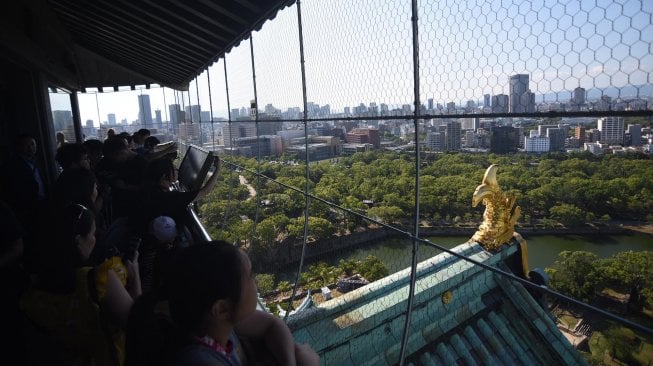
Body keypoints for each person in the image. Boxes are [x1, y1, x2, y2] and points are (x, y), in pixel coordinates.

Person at [127, 241, 319, 366]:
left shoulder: (210, 324)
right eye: (250, 276)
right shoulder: (198, 361)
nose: (256, 282)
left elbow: (272, 323)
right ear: (221, 308)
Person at [20, 203, 142, 366]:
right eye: (92, 234)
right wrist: (135, 276)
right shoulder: (96, 279)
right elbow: (138, 325)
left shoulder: (32, 293)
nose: (95, 239)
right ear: (78, 241)